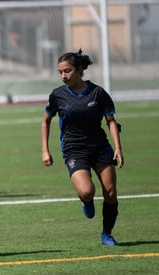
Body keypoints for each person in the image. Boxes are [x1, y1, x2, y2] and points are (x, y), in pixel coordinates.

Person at [41, 49, 124, 246]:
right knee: (86, 191)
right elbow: (45, 121)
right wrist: (45, 149)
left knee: (111, 193)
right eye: (60, 72)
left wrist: (118, 148)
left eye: (67, 71)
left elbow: (111, 121)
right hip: (73, 150)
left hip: (100, 147)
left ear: (79, 70)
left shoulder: (98, 93)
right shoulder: (57, 95)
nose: (63, 76)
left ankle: (106, 233)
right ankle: (86, 201)